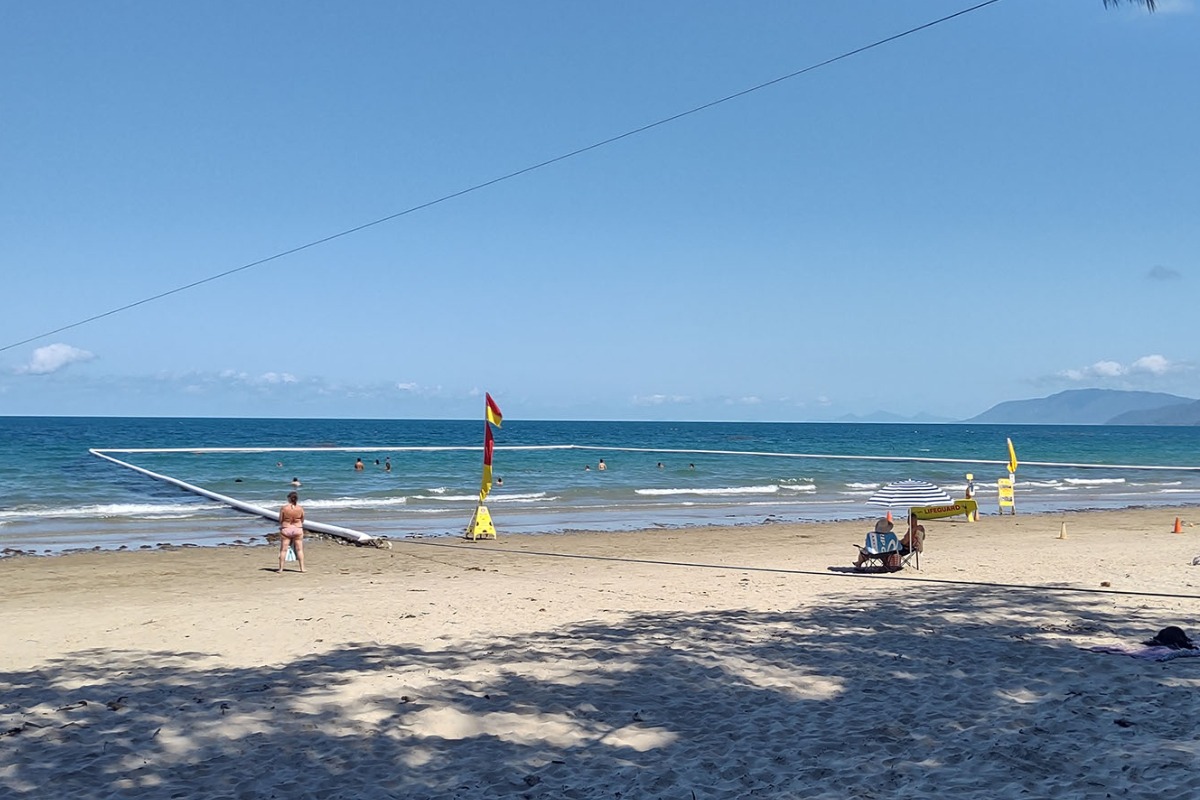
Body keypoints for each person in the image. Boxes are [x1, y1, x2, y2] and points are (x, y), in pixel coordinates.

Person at [278, 491, 306, 573]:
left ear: (289, 498)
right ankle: (302, 568)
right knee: (299, 550)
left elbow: (280, 520)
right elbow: (302, 519)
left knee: (283, 550)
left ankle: (281, 569)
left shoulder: (284, 508)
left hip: (286, 528)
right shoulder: (300, 508)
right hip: (297, 528)